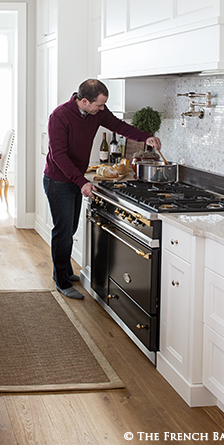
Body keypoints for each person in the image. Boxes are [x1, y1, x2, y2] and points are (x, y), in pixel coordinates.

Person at [43, 78, 162, 300]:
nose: (102, 109)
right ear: (84, 100)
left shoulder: (97, 112)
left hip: (74, 179)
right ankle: (61, 281)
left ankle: (65, 272)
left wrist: (145, 137)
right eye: (99, 105)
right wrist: (81, 181)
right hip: (58, 180)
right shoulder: (59, 116)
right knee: (62, 232)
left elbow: (119, 126)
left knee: (68, 231)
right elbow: (59, 156)